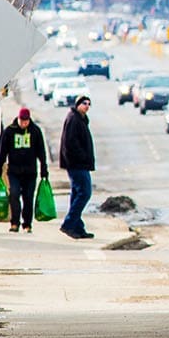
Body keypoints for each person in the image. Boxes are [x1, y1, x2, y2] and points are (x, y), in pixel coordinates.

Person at [0, 107, 49, 233]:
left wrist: (44, 168)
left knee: (28, 197)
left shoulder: (35, 131)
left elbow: (41, 151)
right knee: (14, 195)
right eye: (22, 121)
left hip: (30, 172)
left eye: (26, 121)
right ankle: (14, 222)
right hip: (14, 171)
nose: (24, 123)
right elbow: (3, 151)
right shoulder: (10, 131)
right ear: (18, 119)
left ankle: (27, 223)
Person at [59, 94, 95, 240]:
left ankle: (78, 227)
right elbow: (70, 143)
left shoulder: (80, 119)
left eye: (88, 103)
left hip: (79, 164)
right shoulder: (74, 119)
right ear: (78, 104)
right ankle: (69, 224)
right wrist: (83, 157)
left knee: (76, 194)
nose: (87, 106)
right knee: (84, 193)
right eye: (84, 103)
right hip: (76, 164)